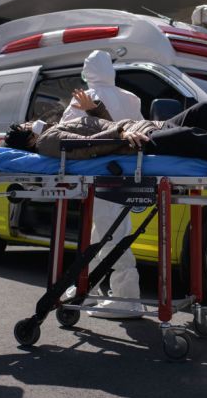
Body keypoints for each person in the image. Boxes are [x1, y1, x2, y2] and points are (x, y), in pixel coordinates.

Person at [60, 50, 145, 319]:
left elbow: (64, 133)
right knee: (105, 233)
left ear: (87, 72)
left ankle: (126, 298)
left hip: (102, 172)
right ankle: (87, 287)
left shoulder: (85, 99)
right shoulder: (131, 98)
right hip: (131, 173)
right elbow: (140, 129)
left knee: (111, 236)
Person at [4, 93, 207, 163]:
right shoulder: (47, 140)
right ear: (28, 135)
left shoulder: (55, 130)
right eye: (30, 124)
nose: (35, 122)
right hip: (138, 140)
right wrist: (121, 136)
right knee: (188, 137)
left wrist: (94, 110)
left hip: (144, 127)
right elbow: (82, 148)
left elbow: (103, 127)